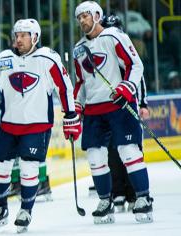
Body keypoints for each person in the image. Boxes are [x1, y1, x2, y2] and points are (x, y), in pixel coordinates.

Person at [0, 18, 79, 233]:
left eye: (23, 35)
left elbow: (64, 87)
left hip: (37, 125)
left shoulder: (48, 59)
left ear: (35, 37)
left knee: (29, 166)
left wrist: (70, 116)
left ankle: (26, 210)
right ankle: (0, 209)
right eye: (16, 35)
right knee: (0, 166)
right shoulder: (4, 59)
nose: (18, 39)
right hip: (9, 125)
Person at [73, 1, 153, 224]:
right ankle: (105, 201)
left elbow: (135, 65)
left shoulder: (114, 36)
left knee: (128, 151)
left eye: (86, 16)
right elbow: (80, 82)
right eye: (79, 17)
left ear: (97, 16)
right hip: (94, 110)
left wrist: (127, 88)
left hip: (119, 105)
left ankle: (143, 198)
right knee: (95, 157)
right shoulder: (78, 48)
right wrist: (76, 106)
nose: (82, 21)